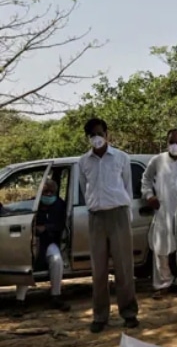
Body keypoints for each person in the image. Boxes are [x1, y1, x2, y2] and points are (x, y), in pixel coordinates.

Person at [78, 118, 139, 333]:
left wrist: (127, 215)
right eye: (92, 135)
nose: (96, 138)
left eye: (99, 133)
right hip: (96, 217)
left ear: (107, 134)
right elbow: (85, 189)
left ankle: (129, 313)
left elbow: (127, 188)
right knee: (99, 270)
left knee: (124, 267)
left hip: (118, 214)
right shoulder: (83, 162)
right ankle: (100, 316)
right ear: (88, 138)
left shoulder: (121, 158)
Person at [142, 129, 177, 299]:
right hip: (163, 210)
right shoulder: (157, 161)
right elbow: (145, 179)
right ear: (167, 143)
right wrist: (149, 195)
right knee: (161, 249)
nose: (174, 145)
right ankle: (163, 283)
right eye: (171, 142)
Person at [12, 179, 71, 317]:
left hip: (49, 242)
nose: (48, 195)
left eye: (51, 192)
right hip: (31, 242)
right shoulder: (33, 203)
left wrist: (46, 228)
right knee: (26, 264)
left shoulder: (60, 205)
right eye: (45, 192)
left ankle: (55, 296)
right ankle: (19, 301)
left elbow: (62, 225)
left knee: (56, 260)